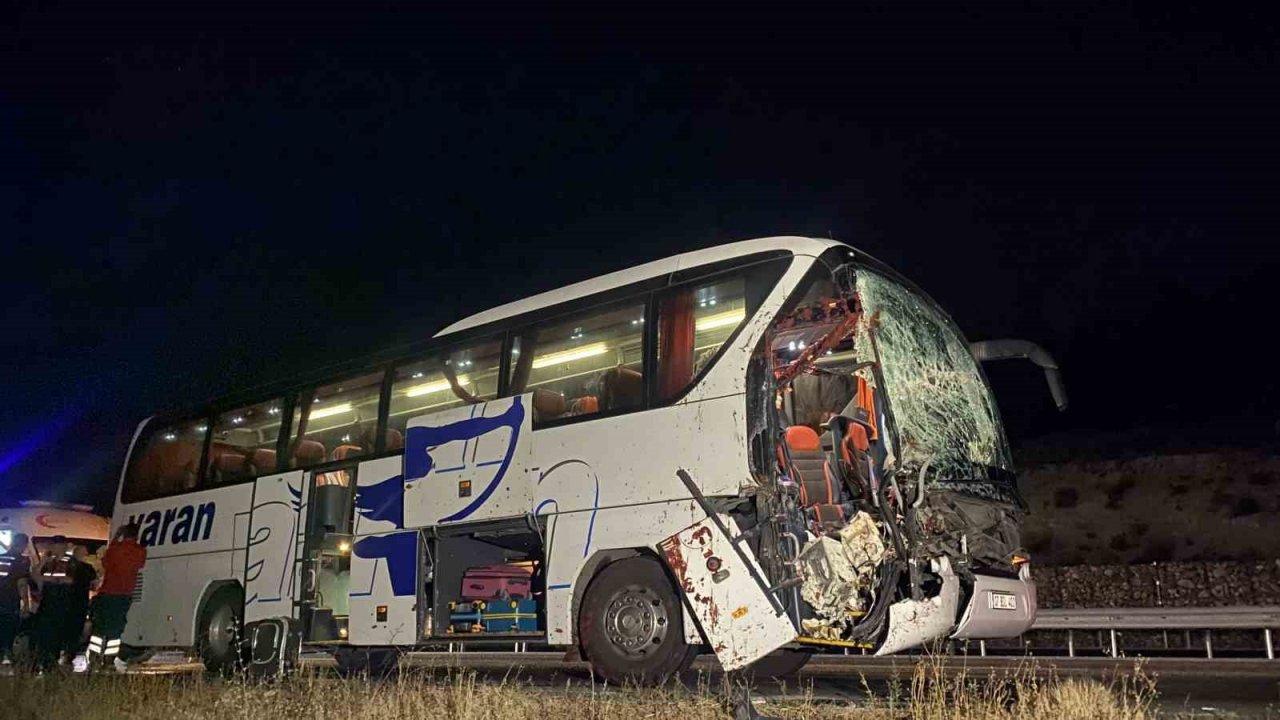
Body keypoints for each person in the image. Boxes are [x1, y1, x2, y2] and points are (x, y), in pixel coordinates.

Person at [82, 523, 145, 671]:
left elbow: (105, 562)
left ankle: (94, 658)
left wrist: (116, 537)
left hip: (106, 594)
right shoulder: (140, 551)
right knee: (115, 630)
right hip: (123, 596)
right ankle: (109, 661)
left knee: (100, 628)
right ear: (136, 535)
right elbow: (140, 565)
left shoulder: (115, 549)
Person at [31, 535, 81, 671]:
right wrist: (43, 562)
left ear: (63, 546)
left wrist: (49, 580)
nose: (52, 548)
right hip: (47, 602)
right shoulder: (49, 562)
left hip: (62, 603)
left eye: (56, 545)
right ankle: (43, 661)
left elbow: (70, 580)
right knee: (44, 634)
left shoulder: (71, 562)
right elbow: (35, 574)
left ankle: (53, 661)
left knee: (56, 634)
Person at [0, 533, 32, 667]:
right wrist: (26, 604)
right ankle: (6, 660)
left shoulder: (1, 558)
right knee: (8, 632)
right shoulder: (22, 561)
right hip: (10, 601)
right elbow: (22, 583)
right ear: (24, 545)